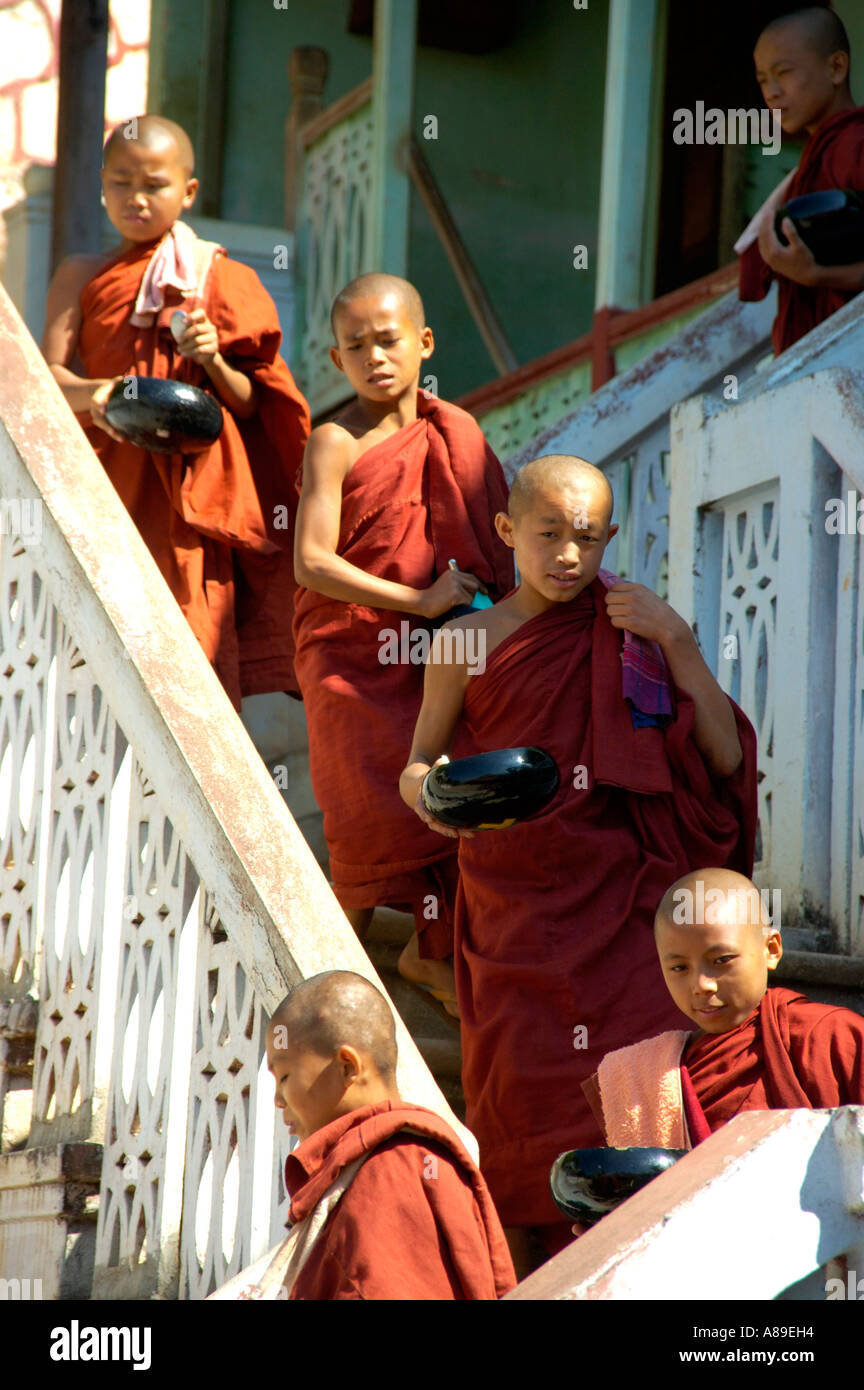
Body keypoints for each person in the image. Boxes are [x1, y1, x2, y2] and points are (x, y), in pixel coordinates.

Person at [399, 454, 757, 1271]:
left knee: (633, 1085)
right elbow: (417, 764)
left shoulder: (633, 629)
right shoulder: (465, 643)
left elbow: (727, 758)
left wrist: (675, 638)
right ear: (506, 532)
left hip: (623, 891)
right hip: (510, 902)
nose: (568, 554)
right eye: (549, 533)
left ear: (611, 538)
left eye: (587, 538)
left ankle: (648, 1266)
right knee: (519, 1103)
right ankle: (526, 1276)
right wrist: (438, 800)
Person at [292, 272, 514, 1014]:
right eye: (355, 346)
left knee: (453, 784)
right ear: (335, 359)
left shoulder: (456, 434)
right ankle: (328, 963)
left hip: (432, 656)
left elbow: (493, 546)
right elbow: (313, 562)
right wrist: (419, 599)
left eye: (389, 340)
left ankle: (425, 952)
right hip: (348, 652)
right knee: (366, 803)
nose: (374, 356)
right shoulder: (334, 440)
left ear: (423, 343)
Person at [42, 115, 310, 709]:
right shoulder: (80, 275)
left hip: (188, 503)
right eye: (120, 182)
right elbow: (49, 385)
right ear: (101, 185)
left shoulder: (221, 279)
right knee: (95, 644)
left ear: (188, 192)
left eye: (154, 184)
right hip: (105, 484)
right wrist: (119, 394)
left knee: (192, 648)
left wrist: (212, 361)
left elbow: (251, 403)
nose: (135, 198)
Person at [256, 971, 516, 1300]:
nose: (278, 1100)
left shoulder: (391, 1166)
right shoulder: (375, 1160)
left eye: (284, 1076)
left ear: (348, 1066)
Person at [588, 867, 864, 1148]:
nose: (702, 985)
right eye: (679, 967)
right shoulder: (644, 1076)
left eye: (721, 960)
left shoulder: (832, 1036)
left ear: (771, 950)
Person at [738, 7, 864, 354]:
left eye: (784, 73)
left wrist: (818, 276)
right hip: (814, 365)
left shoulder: (854, 144)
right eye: (763, 79)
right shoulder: (809, 166)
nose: (772, 92)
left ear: (836, 68)